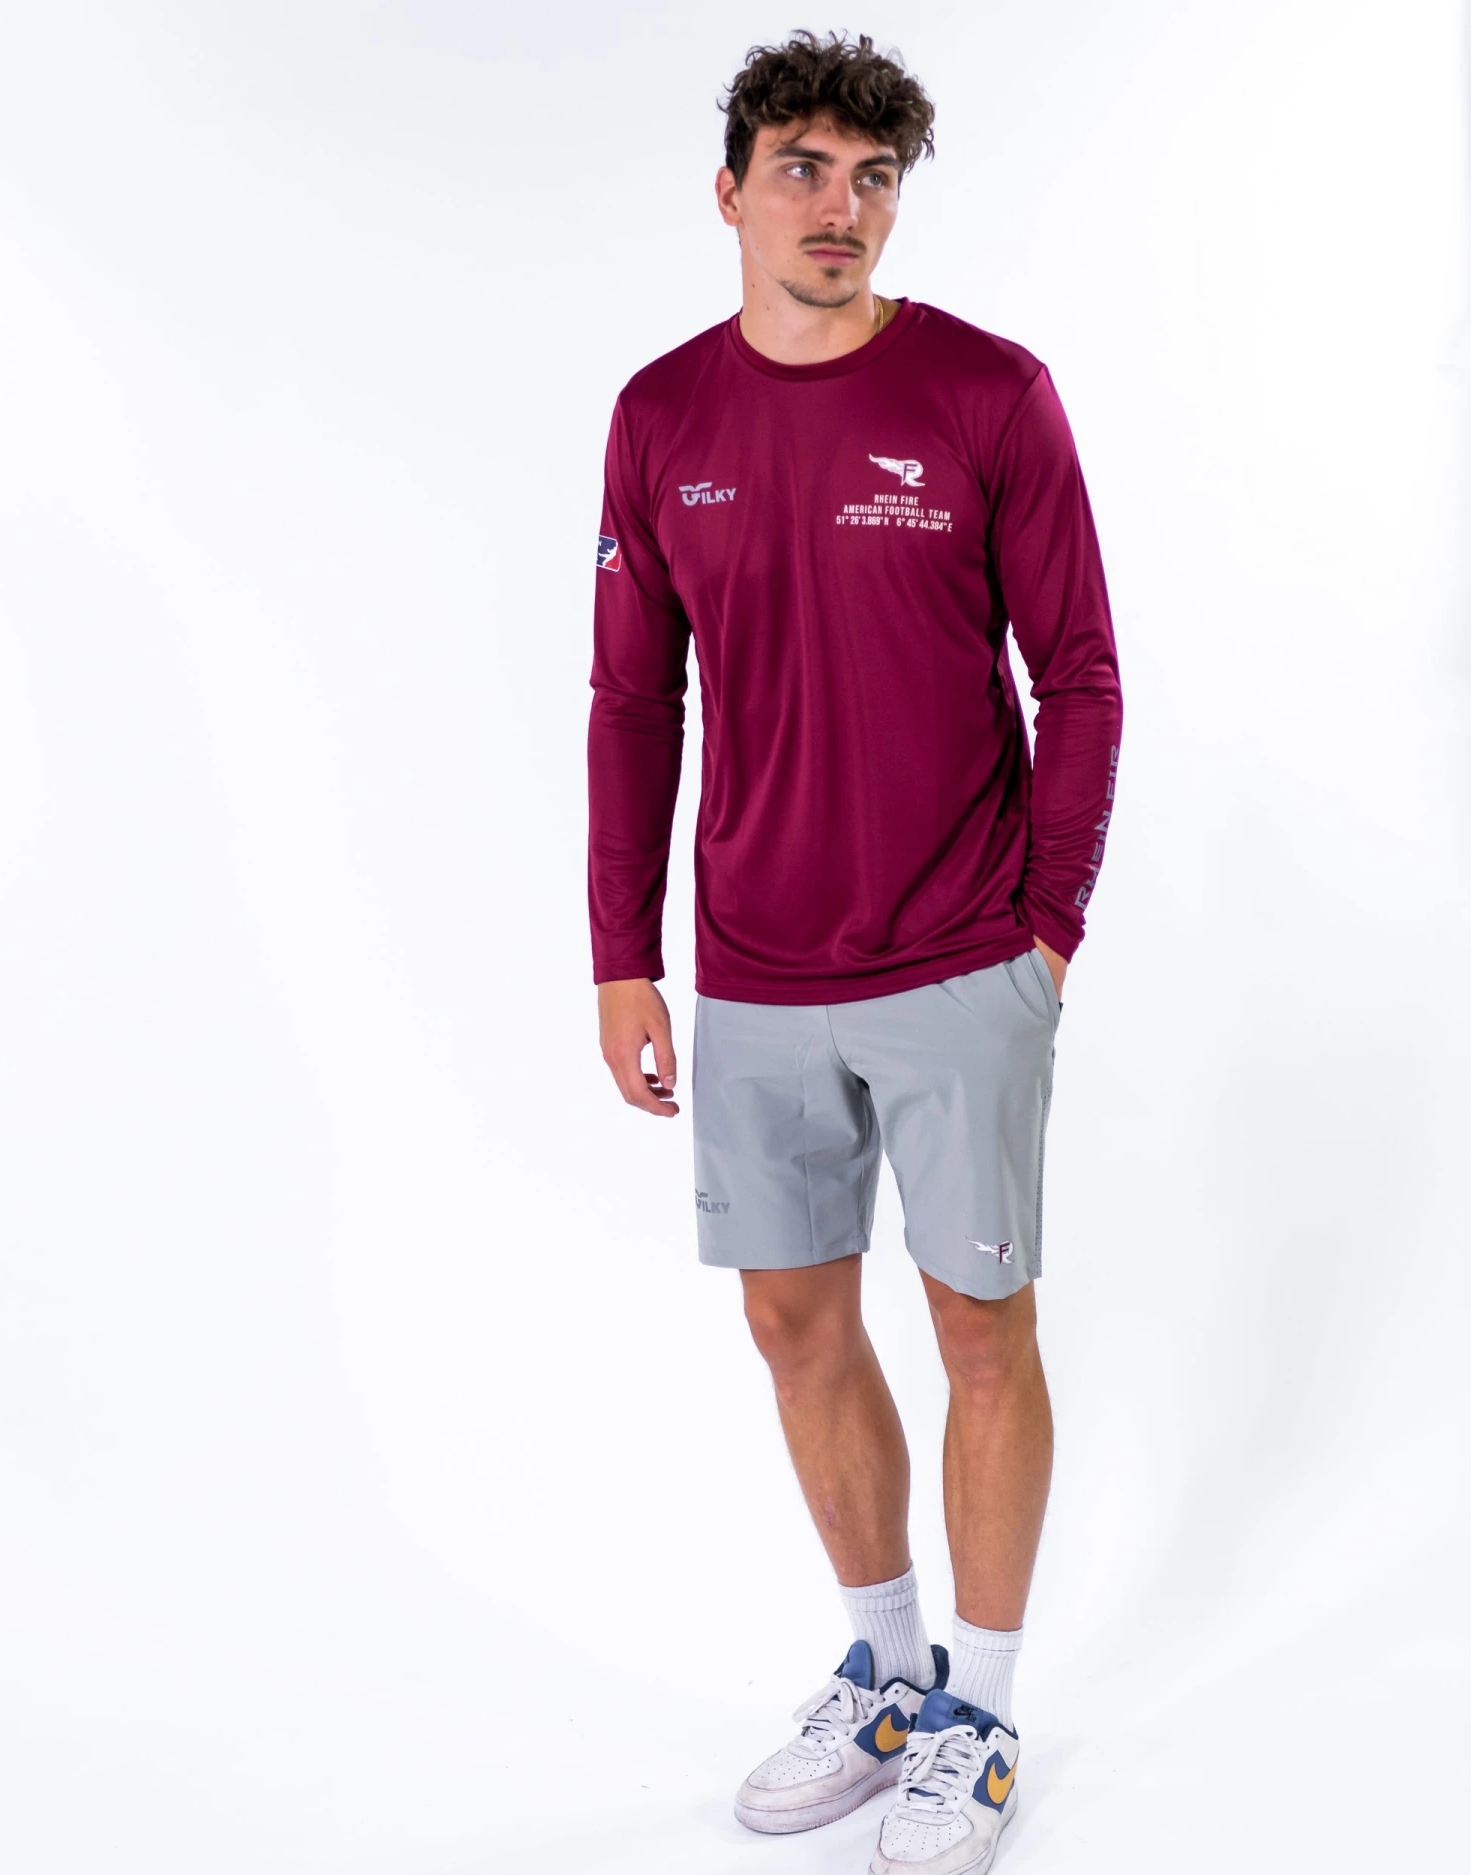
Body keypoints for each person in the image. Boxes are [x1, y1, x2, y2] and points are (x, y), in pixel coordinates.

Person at [586, 30, 1121, 1875]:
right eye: (803, 168)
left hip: (965, 955)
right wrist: (622, 952)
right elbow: (632, 698)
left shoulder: (990, 394)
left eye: (874, 176)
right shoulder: (661, 416)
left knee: (980, 1325)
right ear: (729, 190)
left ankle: (983, 1707)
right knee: (792, 1324)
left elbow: (1083, 675)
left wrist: (1048, 932)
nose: (841, 207)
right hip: (751, 968)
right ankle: (886, 1672)